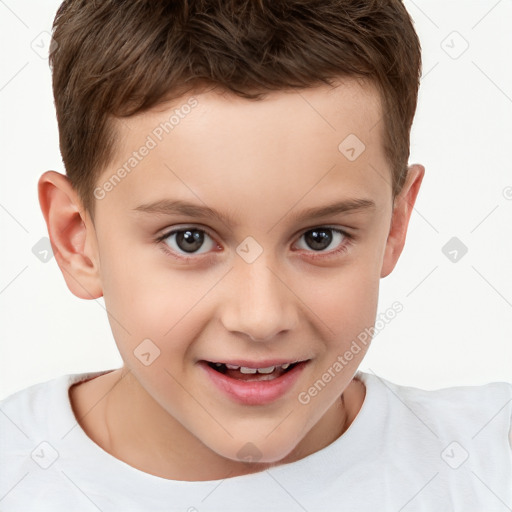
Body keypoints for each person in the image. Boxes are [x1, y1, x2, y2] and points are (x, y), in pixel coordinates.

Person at [1, 0, 511, 510]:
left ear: (395, 225)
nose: (261, 318)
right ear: (76, 240)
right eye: (189, 239)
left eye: (320, 237)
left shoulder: (489, 464)